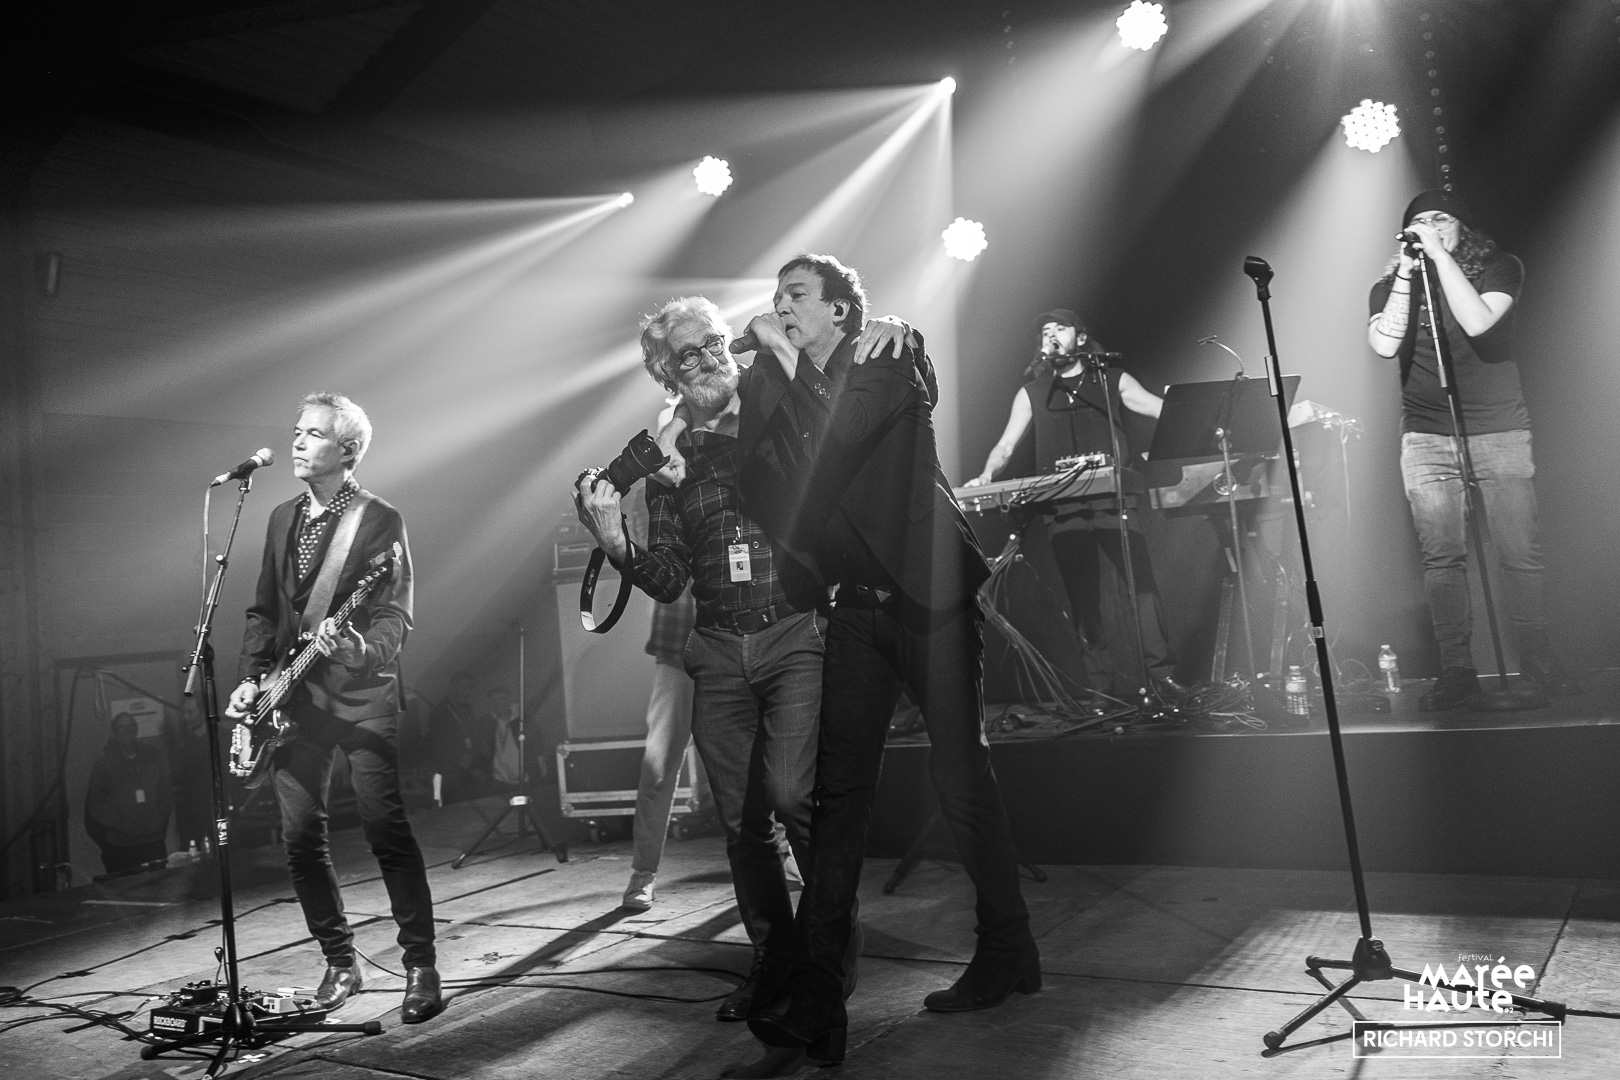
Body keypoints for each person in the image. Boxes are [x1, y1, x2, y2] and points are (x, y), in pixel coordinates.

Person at [701, 255, 1038, 1063]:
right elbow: (763, 483)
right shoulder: (777, 381)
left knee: (961, 775)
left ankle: (1007, 947)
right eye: (775, 296)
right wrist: (763, 382)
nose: (779, 306)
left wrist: (786, 362)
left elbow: (840, 437)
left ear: (842, 311)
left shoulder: (889, 355)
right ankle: (821, 994)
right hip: (854, 604)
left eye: (796, 295)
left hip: (932, 596)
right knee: (839, 794)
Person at [577, 296, 887, 1024]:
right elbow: (669, 579)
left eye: (714, 342)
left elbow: (830, 426)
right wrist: (614, 540)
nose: (709, 358)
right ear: (665, 374)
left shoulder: (776, 406)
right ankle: (774, 958)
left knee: (793, 797)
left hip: (794, 631)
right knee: (744, 825)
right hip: (716, 649)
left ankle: (828, 954)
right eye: (688, 354)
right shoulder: (669, 464)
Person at [225, 391, 442, 1024]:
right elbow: (264, 610)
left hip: (363, 696)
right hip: (292, 700)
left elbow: (395, 613)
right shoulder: (280, 518)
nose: (296, 442)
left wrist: (358, 650)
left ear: (347, 451)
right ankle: (340, 962)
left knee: (385, 830)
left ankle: (421, 966)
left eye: (313, 434)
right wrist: (252, 678)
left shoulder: (379, 519)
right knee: (299, 839)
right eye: (296, 430)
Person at [1367, 190, 1576, 710]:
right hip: (1426, 436)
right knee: (1442, 557)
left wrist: (1440, 258)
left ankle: (1538, 663)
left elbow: (1480, 322)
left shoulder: (1500, 268)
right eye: (1419, 221)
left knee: (1518, 552)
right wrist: (1408, 272)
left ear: (1463, 227)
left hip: (1498, 429)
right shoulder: (1390, 287)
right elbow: (1384, 344)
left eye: (1441, 217)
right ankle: (1457, 669)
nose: (1429, 226)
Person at [967, 308, 1181, 697]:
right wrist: (986, 476)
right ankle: (1101, 688)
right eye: (1045, 331)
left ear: (1080, 338)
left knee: (1141, 586)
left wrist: (1199, 414)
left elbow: (1158, 409)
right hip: (1062, 508)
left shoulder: (1111, 380)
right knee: (1083, 597)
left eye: (1060, 328)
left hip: (1113, 500)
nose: (1050, 335)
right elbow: (1006, 445)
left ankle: (1161, 675)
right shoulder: (1033, 392)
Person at [621, 584, 698, 911]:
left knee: (752, 766)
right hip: (676, 655)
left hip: (732, 654)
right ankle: (643, 874)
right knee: (657, 771)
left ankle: (782, 853)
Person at [84, 712, 173, 874]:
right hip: (120, 848)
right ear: (114, 732)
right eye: (122, 727)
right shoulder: (104, 764)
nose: (128, 731)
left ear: (136, 729)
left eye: (131, 726)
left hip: (153, 844)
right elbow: (95, 805)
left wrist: (159, 819)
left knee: (159, 886)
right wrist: (121, 825)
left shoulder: (152, 755)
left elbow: (166, 790)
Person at [427, 671, 491, 804]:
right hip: (450, 777)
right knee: (455, 812)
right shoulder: (439, 712)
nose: (468, 692)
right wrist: (460, 758)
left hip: (469, 774)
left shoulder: (468, 710)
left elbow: (474, 738)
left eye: (470, 688)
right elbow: (439, 746)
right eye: (464, 687)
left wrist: (477, 755)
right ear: (453, 687)